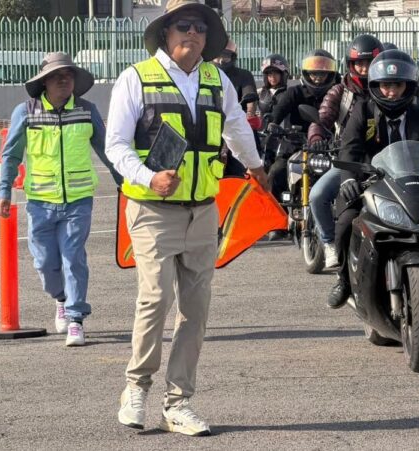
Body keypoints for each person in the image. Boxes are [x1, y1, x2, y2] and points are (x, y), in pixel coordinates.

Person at [106, 0, 268, 436]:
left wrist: (256, 167)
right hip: (152, 209)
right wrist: (147, 176)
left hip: (202, 212)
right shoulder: (135, 78)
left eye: (200, 27)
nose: (192, 33)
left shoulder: (218, 80)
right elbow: (116, 145)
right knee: (155, 299)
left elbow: (236, 128)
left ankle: (178, 402)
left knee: (195, 311)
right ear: (165, 33)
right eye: (183, 25)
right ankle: (135, 387)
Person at [326, 49, 419, 309]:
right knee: (347, 219)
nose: (391, 91)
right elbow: (350, 149)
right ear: (375, 86)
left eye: (396, 85)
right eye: (385, 85)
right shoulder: (362, 111)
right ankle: (343, 279)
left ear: (409, 86)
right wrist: (348, 180)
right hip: (371, 182)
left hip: (416, 180)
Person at [0, 52, 121, 347]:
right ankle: (62, 298)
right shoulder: (25, 112)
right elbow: (11, 155)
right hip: (39, 201)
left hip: (79, 201)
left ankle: (76, 319)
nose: (64, 79)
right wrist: (4, 191)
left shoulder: (87, 110)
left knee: (73, 257)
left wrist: (126, 184)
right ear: (44, 81)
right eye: (56, 75)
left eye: (68, 75)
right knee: (44, 263)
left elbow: (108, 151)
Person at [306, 34, 384, 269]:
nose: (363, 68)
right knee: (317, 196)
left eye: (368, 63)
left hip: (386, 160)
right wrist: (317, 136)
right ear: (350, 65)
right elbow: (322, 118)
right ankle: (329, 243)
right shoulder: (339, 91)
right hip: (347, 160)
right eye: (358, 63)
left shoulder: (388, 87)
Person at [265, 49, 338, 240]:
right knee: (276, 172)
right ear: (306, 73)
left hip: (328, 144)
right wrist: (272, 123)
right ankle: (277, 222)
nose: (317, 78)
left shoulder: (337, 91)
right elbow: (279, 110)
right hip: (295, 143)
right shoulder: (294, 92)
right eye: (314, 73)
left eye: (322, 73)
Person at [214, 40, 260, 176]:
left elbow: (250, 98)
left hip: (236, 125)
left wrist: (250, 115)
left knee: (239, 171)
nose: (222, 60)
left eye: (226, 56)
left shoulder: (243, 75)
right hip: (211, 127)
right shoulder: (205, 74)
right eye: (219, 56)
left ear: (233, 58)